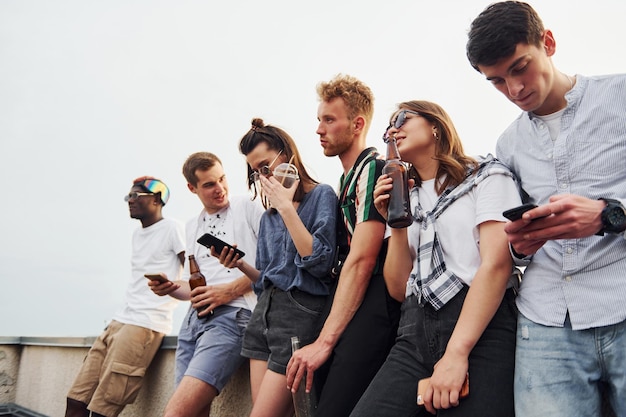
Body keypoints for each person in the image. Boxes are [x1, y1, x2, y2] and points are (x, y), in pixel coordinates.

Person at [466, 2, 626, 416]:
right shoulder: (507, 145)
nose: (514, 89)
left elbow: (610, 215)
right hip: (547, 320)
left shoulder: (620, 95)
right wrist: (522, 246)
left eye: (520, 67)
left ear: (548, 43)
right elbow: (515, 250)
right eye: (497, 81)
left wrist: (610, 214)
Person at [349, 101, 521, 416]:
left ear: (435, 125)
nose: (392, 129)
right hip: (414, 331)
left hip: (481, 325)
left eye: (400, 118)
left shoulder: (486, 174)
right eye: (388, 127)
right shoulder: (404, 196)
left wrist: (457, 353)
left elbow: (496, 264)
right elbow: (399, 288)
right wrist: (395, 223)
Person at [286, 74, 401, 417]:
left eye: (329, 119)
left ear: (357, 124)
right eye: (319, 120)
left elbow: (363, 258)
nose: (319, 129)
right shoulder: (346, 178)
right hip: (355, 294)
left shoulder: (374, 168)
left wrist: (324, 342)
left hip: (378, 295)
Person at [214, 118, 337, 417]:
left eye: (267, 165)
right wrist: (241, 264)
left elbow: (321, 264)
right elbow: (265, 279)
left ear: (288, 155)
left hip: (299, 317)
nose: (263, 176)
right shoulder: (268, 217)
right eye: (257, 171)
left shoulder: (321, 195)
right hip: (263, 318)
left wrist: (286, 206)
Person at [149, 152, 263, 417]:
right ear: (192, 188)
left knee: (176, 412)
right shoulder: (192, 226)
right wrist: (171, 287)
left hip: (233, 318)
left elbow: (274, 265)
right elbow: (197, 287)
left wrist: (230, 291)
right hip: (192, 323)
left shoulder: (247, 206)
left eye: (222, 179)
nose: (220, 188)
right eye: (209, 184)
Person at [65, 177, 185, 417]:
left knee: (102, 409)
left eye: (136, 196)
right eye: (128, 196)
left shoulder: (172, 227)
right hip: (119, 320)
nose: (130, 201)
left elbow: (194, 270)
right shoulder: (137, 234)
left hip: (144, 324)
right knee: (76, 400)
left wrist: (171, 286)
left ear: (156, 199)